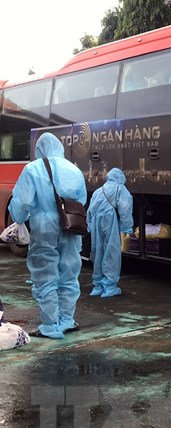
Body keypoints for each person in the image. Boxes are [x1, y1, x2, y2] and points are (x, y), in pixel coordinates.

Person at [9, 133, 86, 339]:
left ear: (39, 149)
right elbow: (81, 200)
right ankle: (67, 319)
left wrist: (18, 218)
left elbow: (22, 203)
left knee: (45, 274)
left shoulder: (33, 168)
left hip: (44, 226)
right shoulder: (74, 169)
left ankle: (50, 325)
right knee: (69, 273)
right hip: (70, 224)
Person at [86, 168, 133, 298]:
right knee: (111, 251)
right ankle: (110, 286)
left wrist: (89, 225)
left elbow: (90, 211)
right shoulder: (120, 189)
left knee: (97, 252)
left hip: (96, 222)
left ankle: (97, 285)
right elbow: (125, 209)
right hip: (109, 220)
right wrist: (126, 229)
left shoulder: (98, 191)